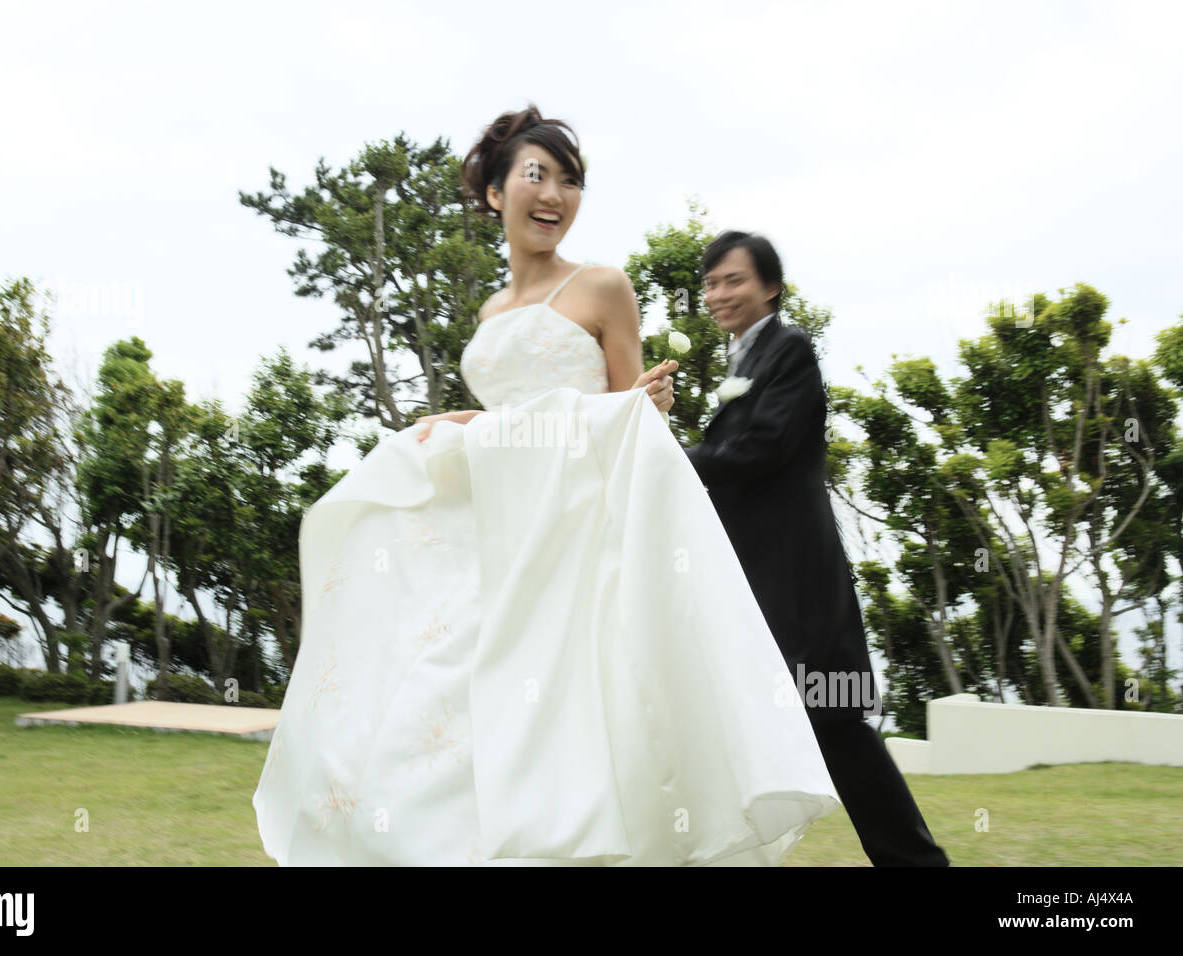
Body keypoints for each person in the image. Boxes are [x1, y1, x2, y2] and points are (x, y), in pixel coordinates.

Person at [252, 105, 841, 866]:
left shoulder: (603, 288)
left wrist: (638, 409)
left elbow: (635, 434)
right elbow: (512, 418)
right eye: (537, 174)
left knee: (575, 736)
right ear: (496, 192)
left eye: (570, 180)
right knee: (428, 709)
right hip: (496, 528)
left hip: (575, 537)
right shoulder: (491, 311)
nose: (554, 193)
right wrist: (464, 423)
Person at [686, 230, 951, 866]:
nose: (720, 293)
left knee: (835, 719)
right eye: (713, 282)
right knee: (815, 724)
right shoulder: (745, 359)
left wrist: (675, 461)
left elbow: (763, 449)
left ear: (770, 288)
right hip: (760, 579)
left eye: (735, 280)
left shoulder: (789, 349)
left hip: (797, 579)